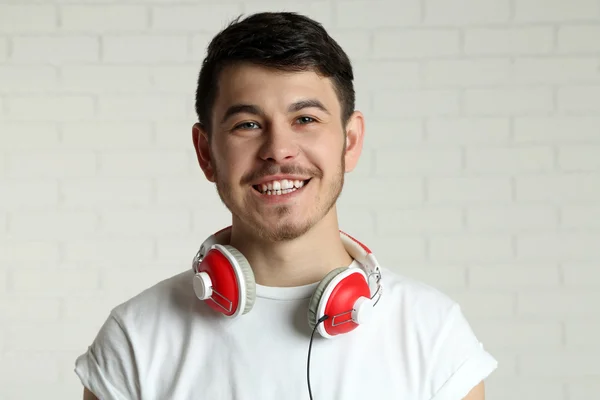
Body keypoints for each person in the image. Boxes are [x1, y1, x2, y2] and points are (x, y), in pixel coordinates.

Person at [75, 11, 497, 400]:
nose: (278, 150)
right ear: (206, 153)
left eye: (306, 119)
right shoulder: (134, 340)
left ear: (350, 142)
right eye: (248, 125)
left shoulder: (435, 337)